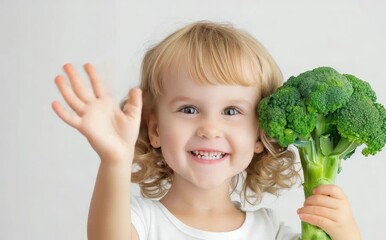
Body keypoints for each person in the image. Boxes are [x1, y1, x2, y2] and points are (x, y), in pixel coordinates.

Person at [52, 21, 361, 240]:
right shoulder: (139, 222)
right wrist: (114, 161)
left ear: (259, 135)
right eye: (189, 109)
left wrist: (346, 233)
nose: (210, 129)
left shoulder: (272, 233)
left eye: (231, 111)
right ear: (155, 128)